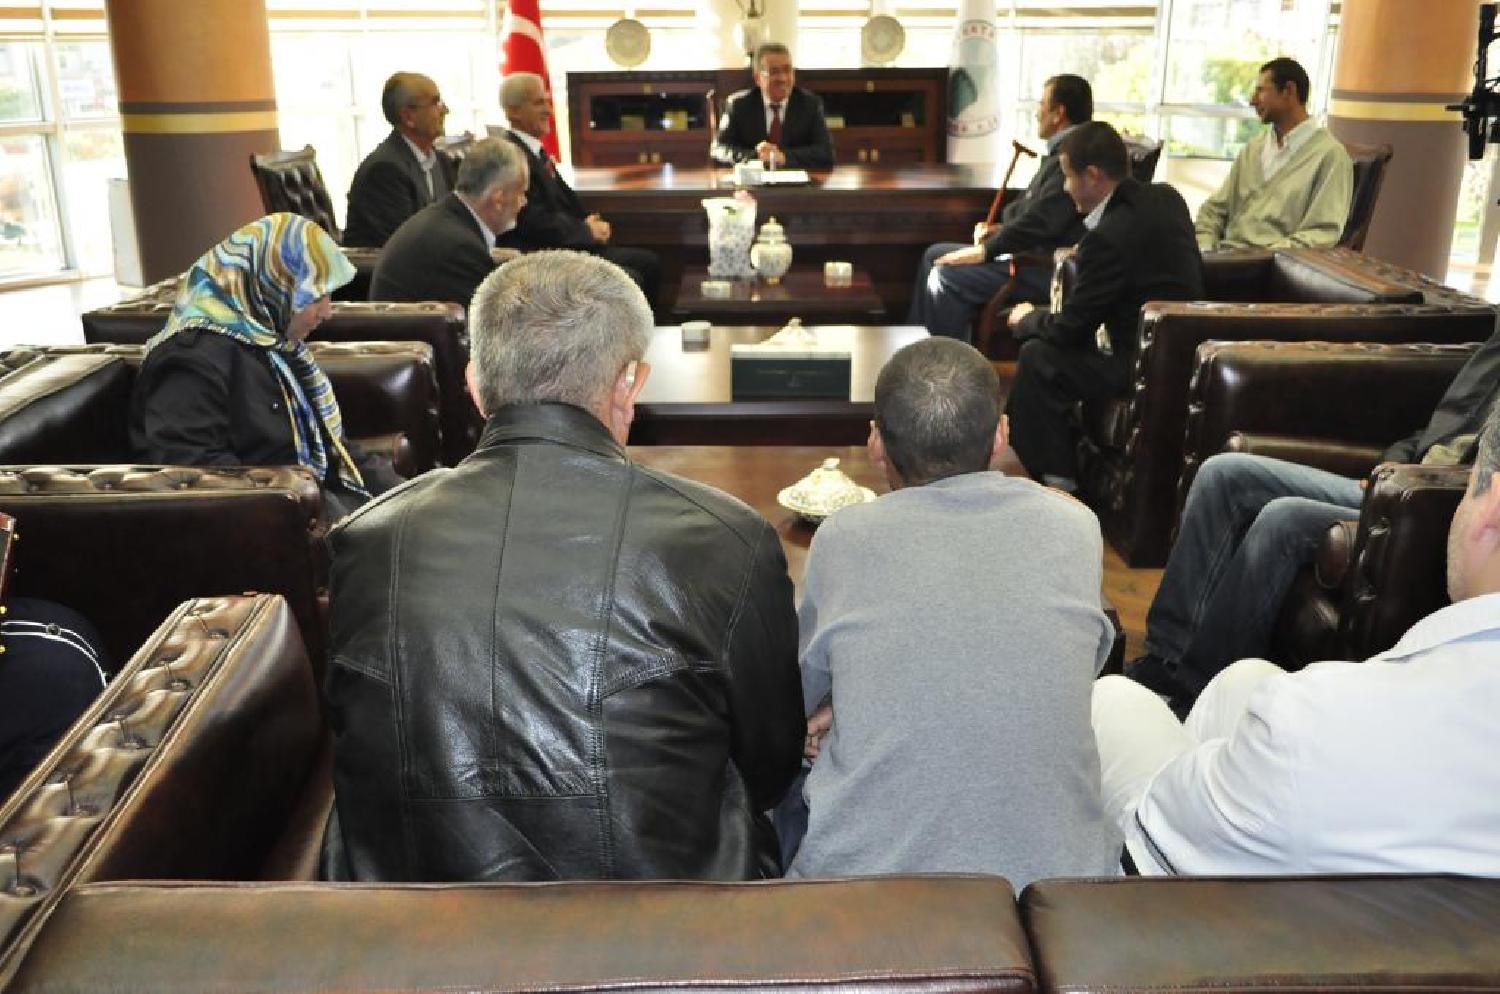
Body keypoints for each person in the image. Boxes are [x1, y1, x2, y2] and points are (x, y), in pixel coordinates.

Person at [323, 250, 805, 882]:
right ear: (629, 383)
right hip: (669, 925)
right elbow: (771, 765)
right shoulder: (727, 538)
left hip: (416, 925)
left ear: (474, 385)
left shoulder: (364, 540)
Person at [1092, 398, 1500, 877]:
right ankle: (1173, 680)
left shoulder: (1314, 720)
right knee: (1246, 678)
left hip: (1202, 889)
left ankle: (1194, 769)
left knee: (1111, 697)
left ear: (1491, 510)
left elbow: (1156, 825)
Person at [784, 337, 1121, 887]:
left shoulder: (844, 537)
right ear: (1001, 435)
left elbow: (795, 704)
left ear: (876, 443)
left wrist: (844, 702)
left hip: (863, 892)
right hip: (1063, 886)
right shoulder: (1075, 527)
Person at [1125, 322, 1500, 710]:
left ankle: (1194, 689)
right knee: (1223, 474)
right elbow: (1433, 431)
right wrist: (1393, 463)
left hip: (1427, 509)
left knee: (1285, 519)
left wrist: (1408, 483)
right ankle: (1165, 658)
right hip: (1393, 484)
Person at [129, 213, 393, 519]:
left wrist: (407, 494)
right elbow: (198, 479)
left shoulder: (272, 341)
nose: (326, 312)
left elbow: (334, 447)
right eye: (315, 297)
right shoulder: (189, 362)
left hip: (315, 507)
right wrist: (329, 516)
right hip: (272, 525)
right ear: (272, 286)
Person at [1004, 121, 1203, 492]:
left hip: (1140, 365)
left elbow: (1069, 330)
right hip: (1189, 359)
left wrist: (1028, 318)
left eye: (1068, 177)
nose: (1066, 188)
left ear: (1093, 176)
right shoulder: (1168, 198)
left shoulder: (1107, 238)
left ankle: (1055, 480)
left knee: (1038, 356)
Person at [907, 75, 1092, 341]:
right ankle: (916, 345)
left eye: (1042, 104)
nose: (1037, 113)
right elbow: (1029, 210)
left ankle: (946, 359)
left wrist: (987, 250)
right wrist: (1000, 229)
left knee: (946, 275)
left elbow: (1044, 221)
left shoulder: (1074, 157)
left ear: (1058, 113)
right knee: (933, 255)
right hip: (1024, 251)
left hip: (1041, 266)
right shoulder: (1060, 153)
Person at [497, 72, 661, 306]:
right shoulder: (511, 155)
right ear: (513, 111)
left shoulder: (536, 152)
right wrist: (585, 231)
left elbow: (565, 199)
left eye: (547, 102)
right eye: (538, 103)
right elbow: (530, 219)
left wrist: (589, 221)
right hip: (544, 257)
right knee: (632, 276)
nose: (548, 110)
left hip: (569, 243)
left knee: (648, 263)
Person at [1195, 57, 1352, 252]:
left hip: (1270, 264)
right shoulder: (1253, 149)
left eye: (1261, 91)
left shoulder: (1330, 156)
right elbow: (1214, 210)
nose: (1252, 100)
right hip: (1223, 258)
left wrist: (1269, 255)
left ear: (1289, 91)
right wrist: (1204, 247)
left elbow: (1322, 233)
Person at [370, 137, 529, 306]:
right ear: (499, 198)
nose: (524, 202)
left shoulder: (447, 221)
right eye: (521, 193)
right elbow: (496, 318)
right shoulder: (460, 249)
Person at [344, 72, 452, 248]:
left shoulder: (441, 161)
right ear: (408, 117)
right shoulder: (384, 170)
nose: (445, 110)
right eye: (435, 103)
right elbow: (404, 244)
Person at [711, 43, 834, 170]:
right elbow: (719, 148)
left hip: (797, 179)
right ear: (757, 78)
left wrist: (783, 157)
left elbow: (825, 152)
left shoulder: (810, 104)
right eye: (774, 72)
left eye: (787, 70)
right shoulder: (738, 104)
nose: (783, 78)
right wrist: (757, 156)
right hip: (753, 179)